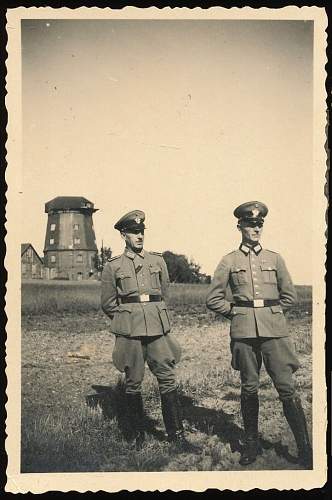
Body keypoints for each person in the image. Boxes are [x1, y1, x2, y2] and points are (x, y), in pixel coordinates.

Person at [206, 201, 312, 468]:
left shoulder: (275, 259)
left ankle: (305, 448)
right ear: (240, 226)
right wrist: (237, 313)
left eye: (259, 224)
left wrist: (272, 314)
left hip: (274, 333)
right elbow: (213, 298)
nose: (256, 228)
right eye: (251, 224)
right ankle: (251, 445)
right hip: (243, 333)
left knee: (286, 388)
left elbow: (289, 296)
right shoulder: (229, 260)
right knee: (249, 387)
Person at [101, 209, 192, 451]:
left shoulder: (157, 260)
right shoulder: (113, 266)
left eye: (141, 231)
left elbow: (164, 293)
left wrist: (151, 314)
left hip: (157, 329)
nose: (139, 235)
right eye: (133, 232)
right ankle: (135, 436)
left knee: (168, 378)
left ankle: (177, 436)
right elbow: (108, 303)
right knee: (133, 382)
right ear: (123, 235)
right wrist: (127, 318)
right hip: (130, 332)